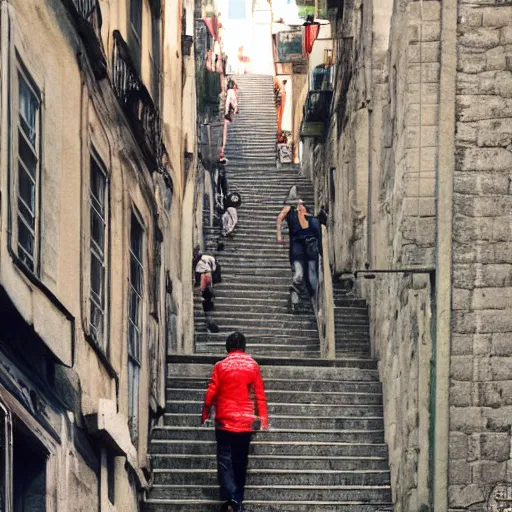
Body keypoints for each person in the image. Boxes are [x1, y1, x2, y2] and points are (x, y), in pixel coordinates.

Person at [201, 331, 268, 512]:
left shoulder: (220, 366)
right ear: (244, 347)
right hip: (245, 423)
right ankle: (238, 499)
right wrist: (263, 419)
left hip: (224, 421)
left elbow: (211, 393)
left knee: (224, 460)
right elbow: (259, 395)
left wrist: (205, 413)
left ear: (227, 347)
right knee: (240, 461)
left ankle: (229, 497)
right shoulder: (253, 366)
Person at [276, 199, 322, 311]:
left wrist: (279, 236)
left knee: (308, 275)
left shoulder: (310, 220)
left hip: (305, 250)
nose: (300, 207)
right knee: (302, 275)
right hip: (301, 250)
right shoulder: (294, 214)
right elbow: (280, 217)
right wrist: (279, 236)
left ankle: (312, 300)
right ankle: (309, 299)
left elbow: (319, 237)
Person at [219, 79, 238, 163]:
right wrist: (231, 111)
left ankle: (221, 153)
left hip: (227, 114)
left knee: (224, 133)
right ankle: (221, 153)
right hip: (227, 114)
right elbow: (230, 103)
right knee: (224, 134)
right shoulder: (231, 92)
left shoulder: (229, 92)